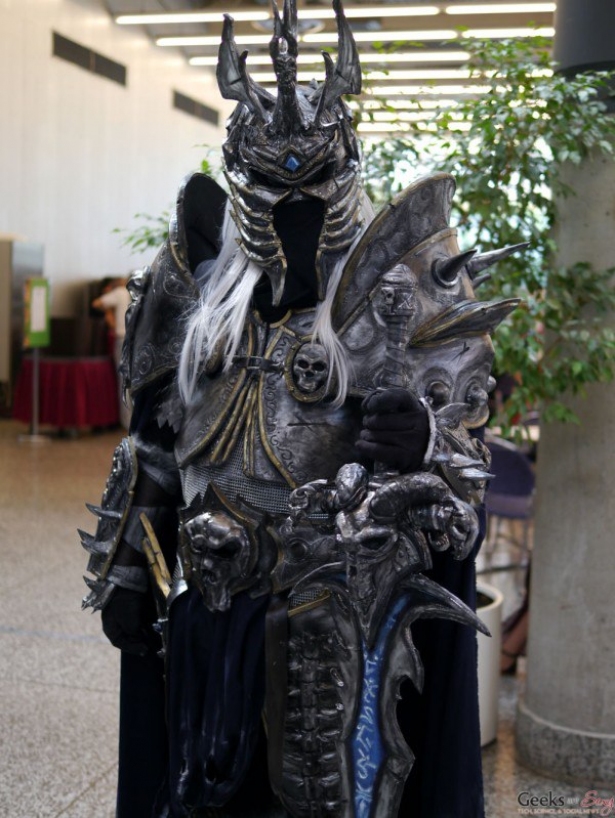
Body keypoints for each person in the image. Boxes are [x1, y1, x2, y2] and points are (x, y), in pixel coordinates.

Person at [80, 1, 522, 816]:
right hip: (212, 609)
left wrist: (423, 439)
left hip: (343, 619)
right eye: (272, 198)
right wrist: (129, 566)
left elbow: (461, 489)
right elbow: (153, 442)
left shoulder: (405, 294)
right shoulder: (193, 286)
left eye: (312, 197)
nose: (294, 220)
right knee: (206, 789)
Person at [92, 276, 132, 428]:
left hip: (122, 340)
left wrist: (108, 311)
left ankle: (127, 421)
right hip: (137, 339)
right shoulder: (135, 293)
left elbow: (96, 303)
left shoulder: (120, 292)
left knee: (124, 381)